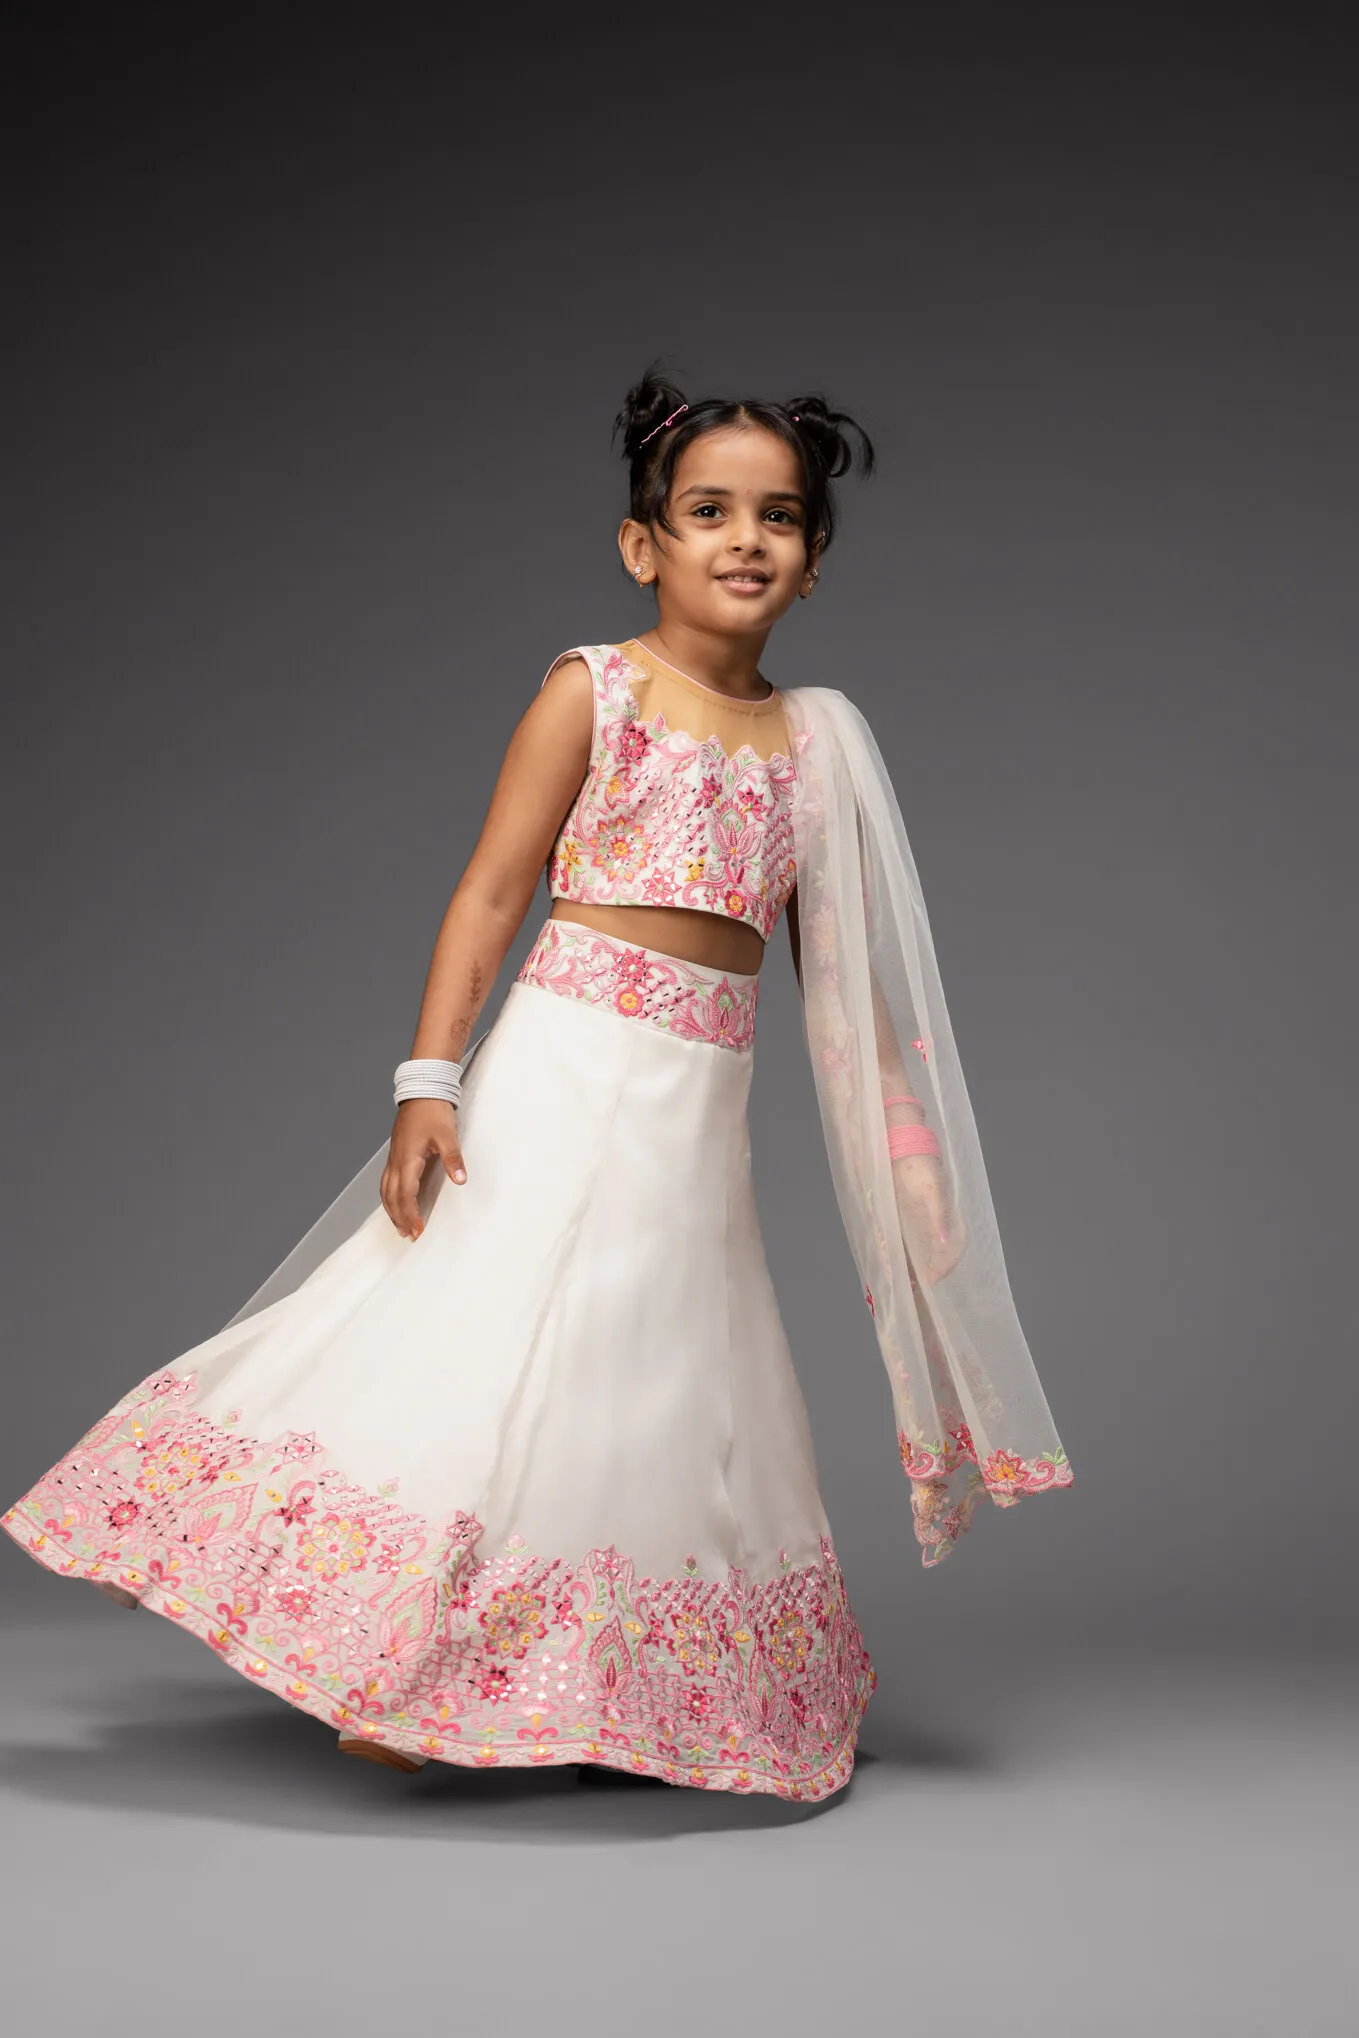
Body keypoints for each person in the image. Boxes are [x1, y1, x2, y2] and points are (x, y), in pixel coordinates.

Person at [3, 369, 1073, 1799]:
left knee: (653, 1370)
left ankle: (612, 1693)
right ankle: (398, 1666)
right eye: (708, 512)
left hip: (696, 1107)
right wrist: (427, 1079)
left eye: (778, 518)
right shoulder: (596, 689)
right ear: (643, 544)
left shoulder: (815, 742)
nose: (744, 540)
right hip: (566, 1064)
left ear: (814, 560)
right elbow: (493, 891)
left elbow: (845, 976)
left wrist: (909, 1150)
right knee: (488, 1333)